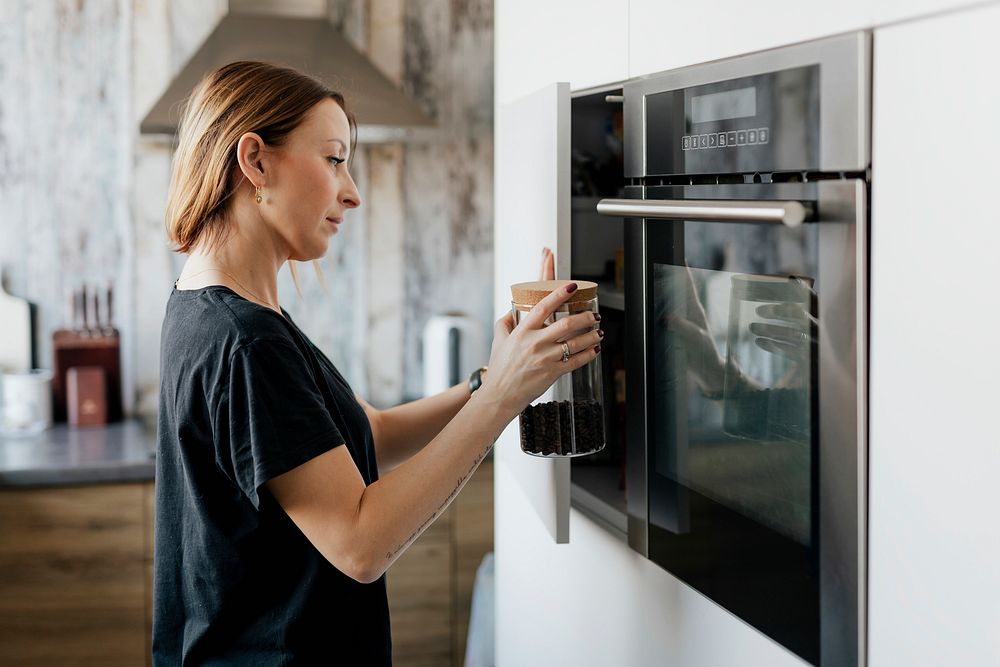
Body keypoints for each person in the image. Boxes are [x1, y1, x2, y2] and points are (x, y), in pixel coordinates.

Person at [153, 60, 601, 665]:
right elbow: (361, 545)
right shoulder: (246, 341)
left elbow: (372, 433)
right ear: (255, 161)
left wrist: (494, 379)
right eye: (335, 158)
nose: (352, 191)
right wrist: (499, 400)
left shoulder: (212, 309)